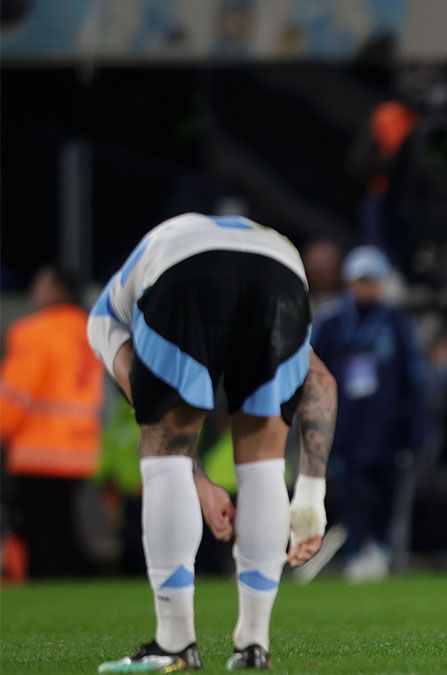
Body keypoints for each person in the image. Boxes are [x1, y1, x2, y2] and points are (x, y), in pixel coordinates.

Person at [87, 213, 338, 671]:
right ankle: (253, 644)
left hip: (185, 270)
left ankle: (174, 643)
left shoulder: (107, 314)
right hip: (281, 269)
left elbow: (150, 407)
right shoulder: (256, 253)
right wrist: (310, 494)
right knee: (263, 462)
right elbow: (321, 381)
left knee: (163, 452)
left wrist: (193, 476)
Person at [311, 246, 427, 582]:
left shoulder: (396, 323)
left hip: (387, 427)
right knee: (351, 493)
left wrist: (416, 427)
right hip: (344, 427)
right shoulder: (331, 323)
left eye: (372, 281)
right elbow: (313, 377)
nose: (366, 288)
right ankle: (356, 550)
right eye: (360, 281)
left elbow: (414, 379)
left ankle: (382, 548)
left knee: (387, 492)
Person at [0, 265, 104, 579]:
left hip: (39, 448)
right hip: (80, 448)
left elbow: (16, 393)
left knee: (37, 533)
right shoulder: (89, 331)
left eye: (40, 284)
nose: (34, 290)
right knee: (64, 528)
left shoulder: (35, 331)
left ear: (58, 290)